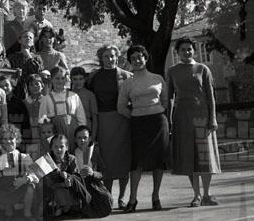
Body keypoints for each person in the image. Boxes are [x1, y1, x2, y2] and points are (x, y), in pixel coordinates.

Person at [167, 36, 221, 207]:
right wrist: (169, 119)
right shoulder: (172, 71)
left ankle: (207, 194)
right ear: (177, 52)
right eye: (183, 49)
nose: (186, 52)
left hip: (202, 117)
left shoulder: (203, 69)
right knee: (189, 156)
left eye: (189, 49)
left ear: (194, 50)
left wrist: (213, 118)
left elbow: (211, 96)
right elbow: (169, 97)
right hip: (182, 118)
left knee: (205, 157)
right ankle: (196, 195)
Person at [117, 45, 169, 212]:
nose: (137, 60)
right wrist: (135, 115)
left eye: (140, 57)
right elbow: (121, 106)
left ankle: (156, 197)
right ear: (130, 61)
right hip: (138, 124)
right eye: (133, 58)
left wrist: (154, 111)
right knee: (137, 162)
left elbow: (165, 101)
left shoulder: (158, 78)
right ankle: (132, 199)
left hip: (158, 123)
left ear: (145, 59)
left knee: (159, 161)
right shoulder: (127, 83)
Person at [86, 44, 132, 208]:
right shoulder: (94, 77)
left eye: (112, 55)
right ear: (101, 58)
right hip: (104, 121)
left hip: (123, 120)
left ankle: (122, 197)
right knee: (107, 161)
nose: (110, 59)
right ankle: (109, 196)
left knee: (124, 159)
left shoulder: (127, 76)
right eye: (106, 56)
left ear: (117, 57)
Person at [0, 124, 39, 220]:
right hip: (4, 190)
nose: (8, 141)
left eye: (11, 138)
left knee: (30, 187)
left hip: (19, 189)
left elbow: (35, 174)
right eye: (5, 139)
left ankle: (27, 213)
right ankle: (9, 210)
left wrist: (25, 179)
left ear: (17, 140)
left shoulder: (24, 157)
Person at [42, 134, 90, 217]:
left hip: (70, 189)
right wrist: (63, 184)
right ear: (51, 148)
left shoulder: (71, 159)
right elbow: (48, 183)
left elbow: (77, 177)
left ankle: (65, 207)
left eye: (62, 146)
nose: (59, 149)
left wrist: (69, 177)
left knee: (70, 207)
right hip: (53, 190)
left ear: (67, 147)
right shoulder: (47, 161)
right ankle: (58, 206)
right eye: (55, 147)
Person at [73, 125, 113, 218]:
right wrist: (77, 175)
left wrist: (93, 173)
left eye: (85, 137)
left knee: (106, 198)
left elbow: (105, 173)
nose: (82, 140)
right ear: (75, 139)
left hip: (93, 184)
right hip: (78, 184)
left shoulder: (94, 152)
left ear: (90, 138)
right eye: (79, 138)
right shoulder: (72, 153)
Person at [44, 67, 86, 149]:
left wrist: (81, 136)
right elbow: (43, 122)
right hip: (55, 133)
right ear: (51, 79)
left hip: (73, 132)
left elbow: (81, 119)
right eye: (57, 78)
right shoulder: (46, 99)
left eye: (62, 78)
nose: (60, 81)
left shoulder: (73, 96)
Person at [0, 74, 31, 153]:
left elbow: (26, 124)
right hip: (2, 142)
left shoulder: (19, 103)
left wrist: (26, 142)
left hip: (17, 142)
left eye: (6, 85)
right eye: (1, 86)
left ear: (12, 86)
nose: (4, 88)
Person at [8, 30, 44, 100]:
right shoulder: (12, 57)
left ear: (33, 42)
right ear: (19, 40)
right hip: (17, 91)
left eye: (30, 37)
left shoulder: (37, 58)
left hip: (33, 90)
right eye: (25, 37)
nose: (28, 38)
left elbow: (38, 72)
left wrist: (29, 56)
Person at [23, 73, 50, 156]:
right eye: (31, 85)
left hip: (44, 134)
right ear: (28, 87)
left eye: (37, 84)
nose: (34, 87)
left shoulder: (47, 100)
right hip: (30, 135)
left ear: (42, 85)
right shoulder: (24, 103)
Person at [70, 66, 99, 138]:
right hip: (71, 128)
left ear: (85, 79)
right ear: (71, 80)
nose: (78, 82)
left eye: (81, 79)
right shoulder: (67, 94)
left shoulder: (90, 95)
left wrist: (93, 137)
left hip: (86, 129)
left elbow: (94, 119)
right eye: (75, 79)